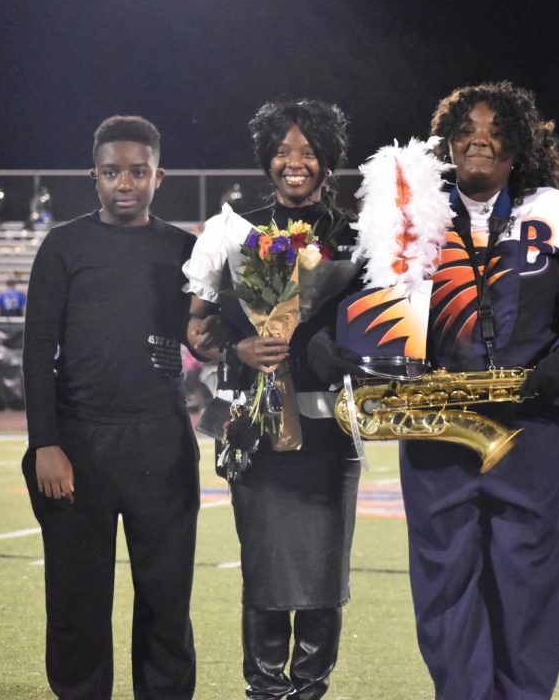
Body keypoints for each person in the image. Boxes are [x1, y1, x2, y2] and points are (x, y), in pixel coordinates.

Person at [387, 82, 559, 700]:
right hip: (437, 432)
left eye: (495, 131)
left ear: (521, 148)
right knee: (443, 591)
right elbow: (371, 308)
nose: (478, 138)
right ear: (448, 144)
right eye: (465, 130)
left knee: (531, 588)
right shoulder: (409, 217)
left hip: (534, 431)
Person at [182, 99, 360, 700]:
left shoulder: (357, 235)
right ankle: (263, 689)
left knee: (322, 571)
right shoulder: (234, 231)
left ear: (328, 160)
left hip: (330, 429)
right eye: (283, 151)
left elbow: (385, 322)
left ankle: (311, 688)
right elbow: (200, 329)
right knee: (262, 567)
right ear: (266, 160)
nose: (295, 163)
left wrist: (342, 350)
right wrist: (240, 353)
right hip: (253, 428)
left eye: (308, 151)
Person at [21, 116, 199, 699]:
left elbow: (203, 336)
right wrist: (45, 443)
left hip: (161, 444)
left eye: (138, 172)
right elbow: (36, 349)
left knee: (167, 606)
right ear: (93, 177)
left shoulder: (184, 249)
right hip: (78, 446)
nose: (125, 183)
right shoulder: (63, 245)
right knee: (77, 604)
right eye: (112, 172)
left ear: (159, 176)